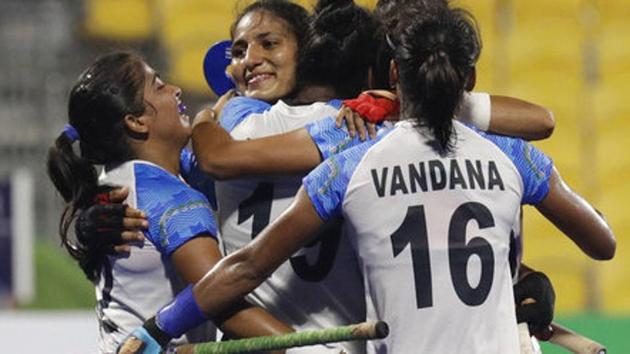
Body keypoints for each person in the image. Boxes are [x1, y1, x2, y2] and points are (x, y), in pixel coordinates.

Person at [119, 4, 615, 353]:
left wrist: (162, 327)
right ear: (466, 79)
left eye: (269, 43)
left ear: (394, 73)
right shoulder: (501, 152)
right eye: (241, 49)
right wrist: (518, 278)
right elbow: (599, 238)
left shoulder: (346, 154)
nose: (250, 60)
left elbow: (245, 265)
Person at [46, 51, 293, 353]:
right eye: (159, 85)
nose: (175, 89)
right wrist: (308, 350)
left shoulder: (116, 180)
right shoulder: (170, 199)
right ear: (136, 121)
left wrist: (213, 117)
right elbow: (222, 303)